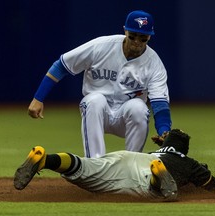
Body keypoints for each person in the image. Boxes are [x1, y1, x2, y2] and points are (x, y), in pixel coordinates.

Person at [27, 10, 172, 158]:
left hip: (126, 118)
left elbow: (159, 103)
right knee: (95, 100)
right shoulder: (102, 46)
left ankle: (131, 166)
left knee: (139, 107)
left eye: (143, 38)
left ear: (149, 37)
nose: (137, 42)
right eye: (133, 36)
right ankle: (95, 163)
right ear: (125, 30)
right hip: (96, 113)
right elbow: (62, 66)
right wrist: (38, 98)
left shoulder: (154, 63)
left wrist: (164, 131)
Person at [14, 129, 215, 202]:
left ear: (166, 144)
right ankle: (158, 176)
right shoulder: (188, 162)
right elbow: (214, 186)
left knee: (84, 167)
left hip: (126, 157)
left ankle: (45, 159)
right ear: (184, 149)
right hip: (146, 170)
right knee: (154, 190)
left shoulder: (153, 151)